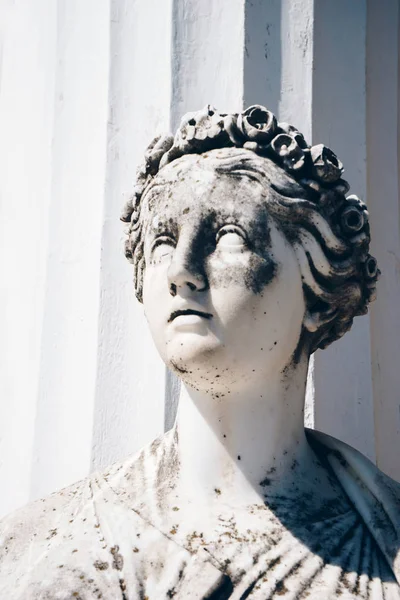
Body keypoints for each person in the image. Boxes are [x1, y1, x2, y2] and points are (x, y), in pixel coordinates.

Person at [1, 105, 399, 599]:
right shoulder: (33, 549)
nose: (181, 269)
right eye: (163, 242)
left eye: (228, 236)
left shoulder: (384, 548)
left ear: (316, 288)